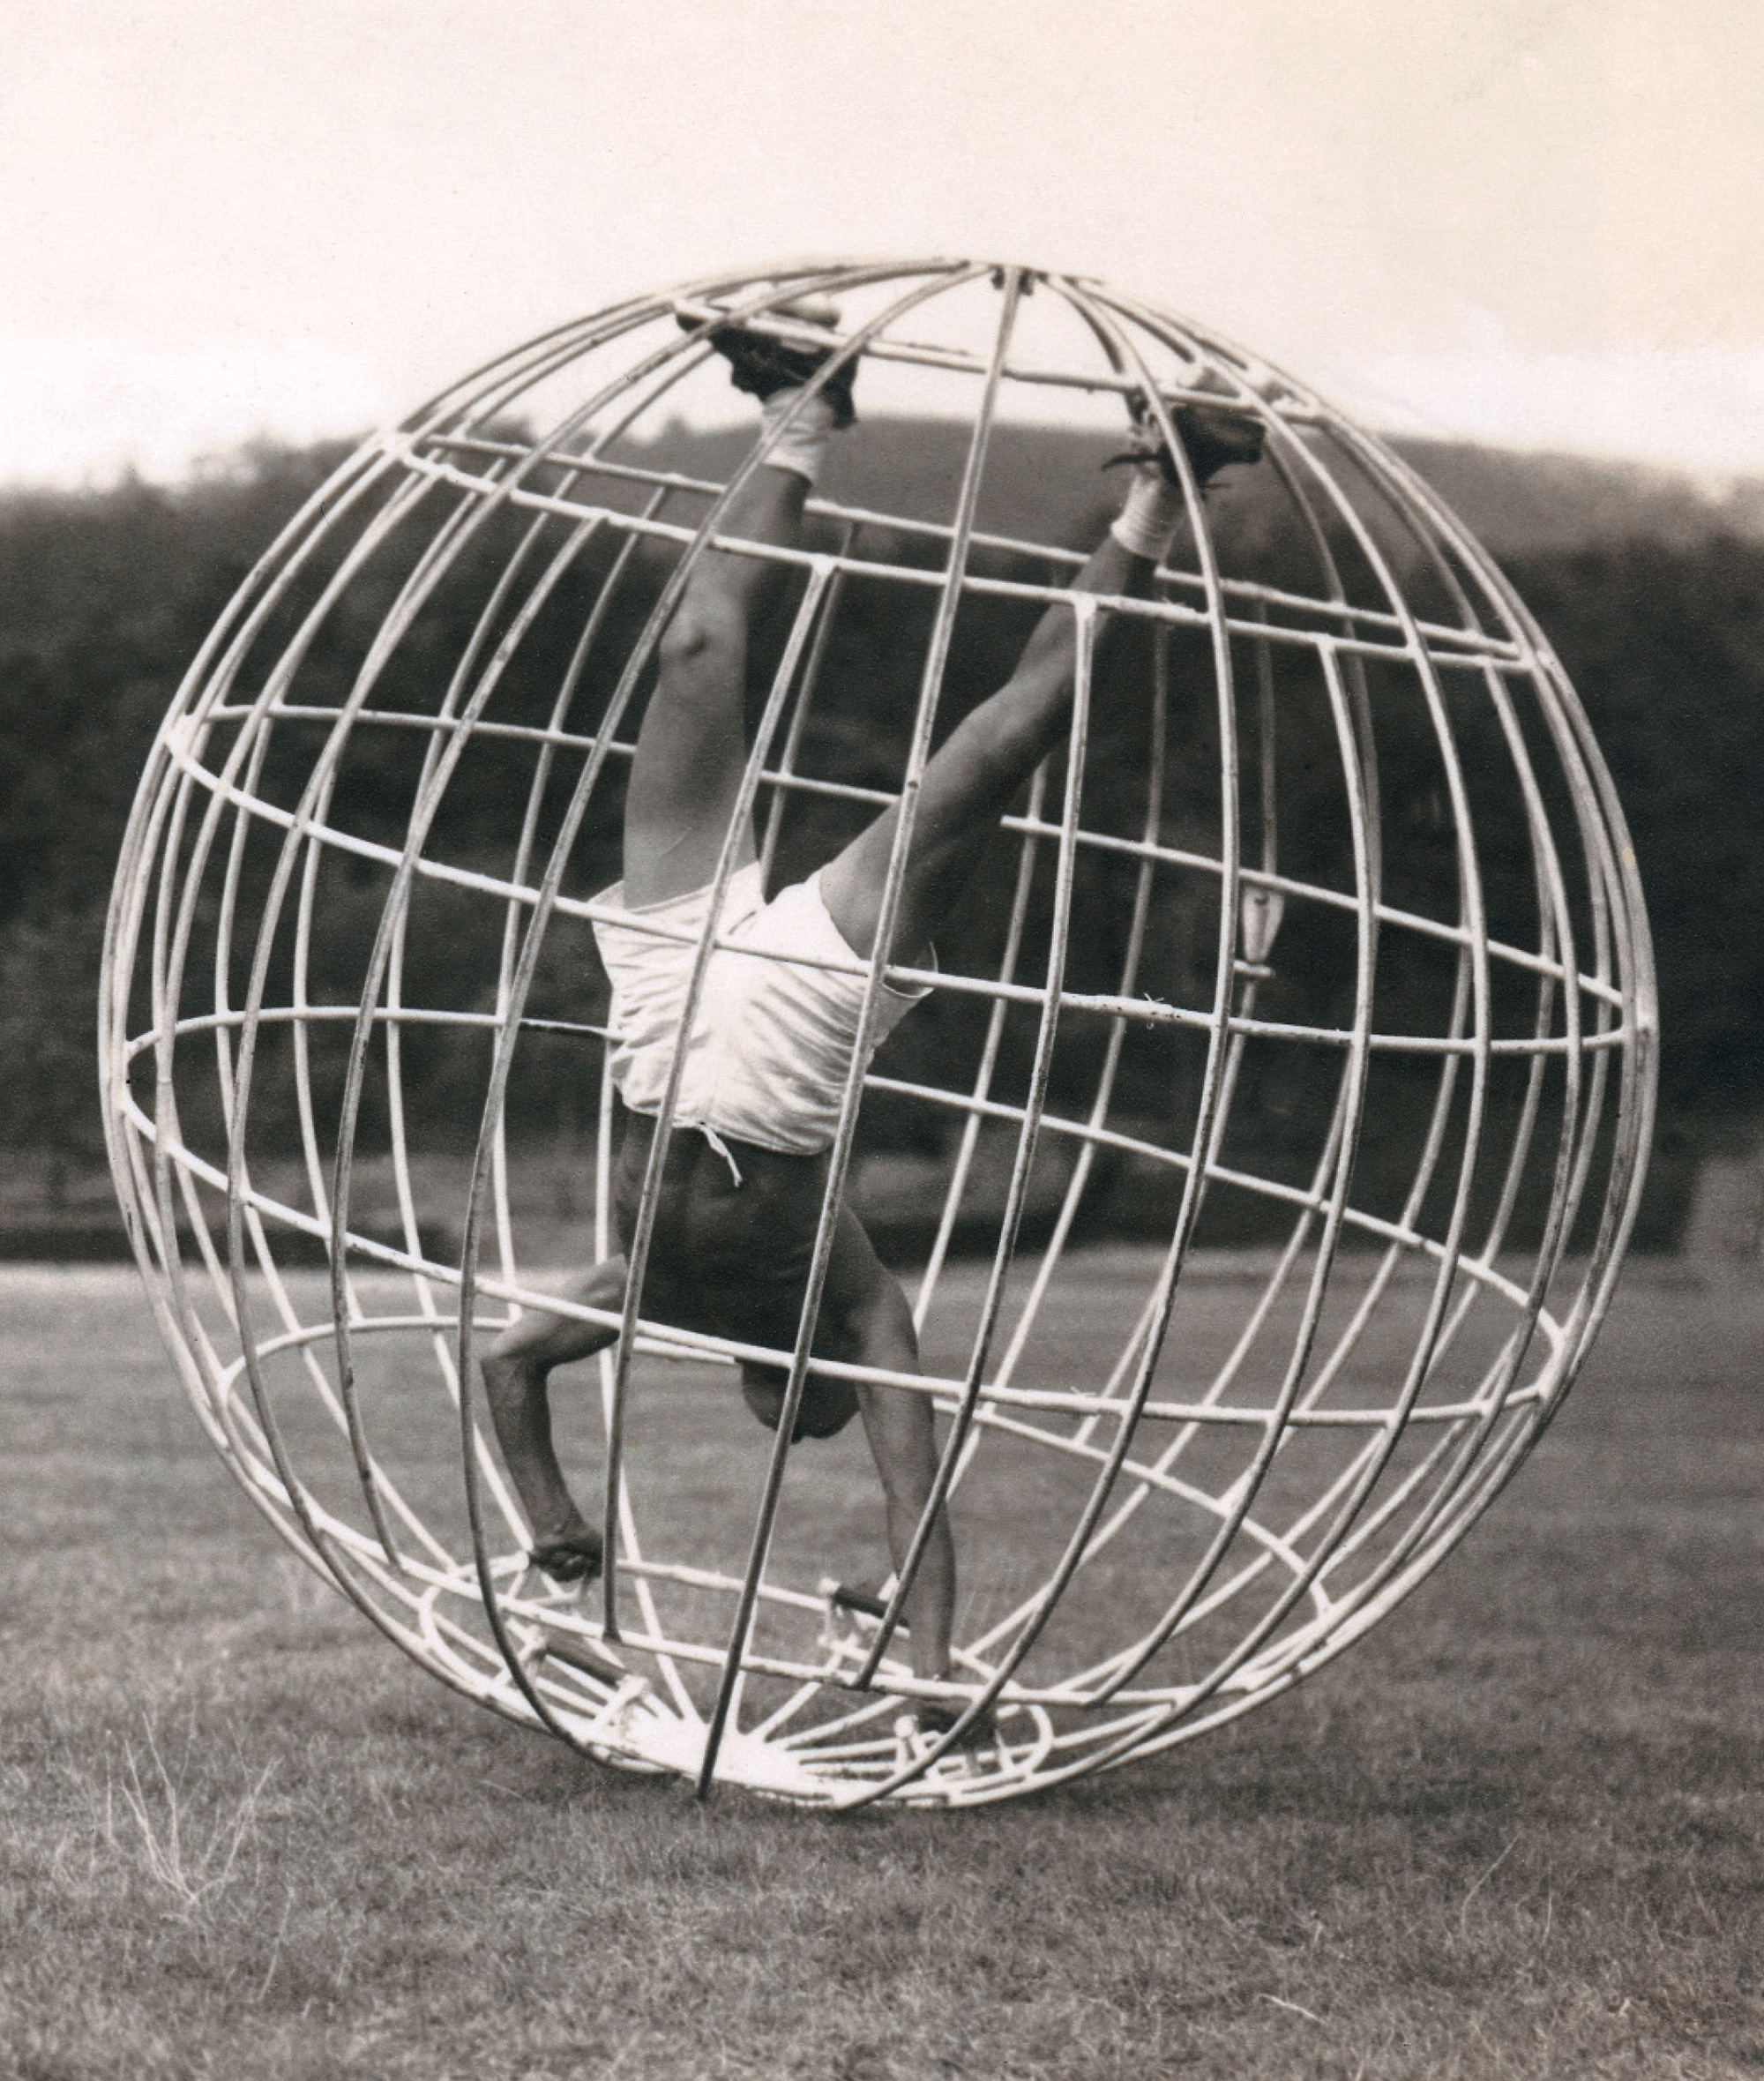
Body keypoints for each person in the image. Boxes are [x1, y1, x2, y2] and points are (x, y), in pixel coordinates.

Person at [482, 295, 1265, 1717]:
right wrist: (930, 1665)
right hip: (793, 1031)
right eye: (820, 1412)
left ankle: (1108, 478)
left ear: (759, 1391)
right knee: (955, 747)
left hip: (667, 1015)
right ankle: (851, 417)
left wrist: (556, 1534)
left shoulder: (668, 1296)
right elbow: (915, 1505)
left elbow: (510, 1372)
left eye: (796, 1411)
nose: (810, 1417)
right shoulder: (854, 1310)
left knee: (758, 679)